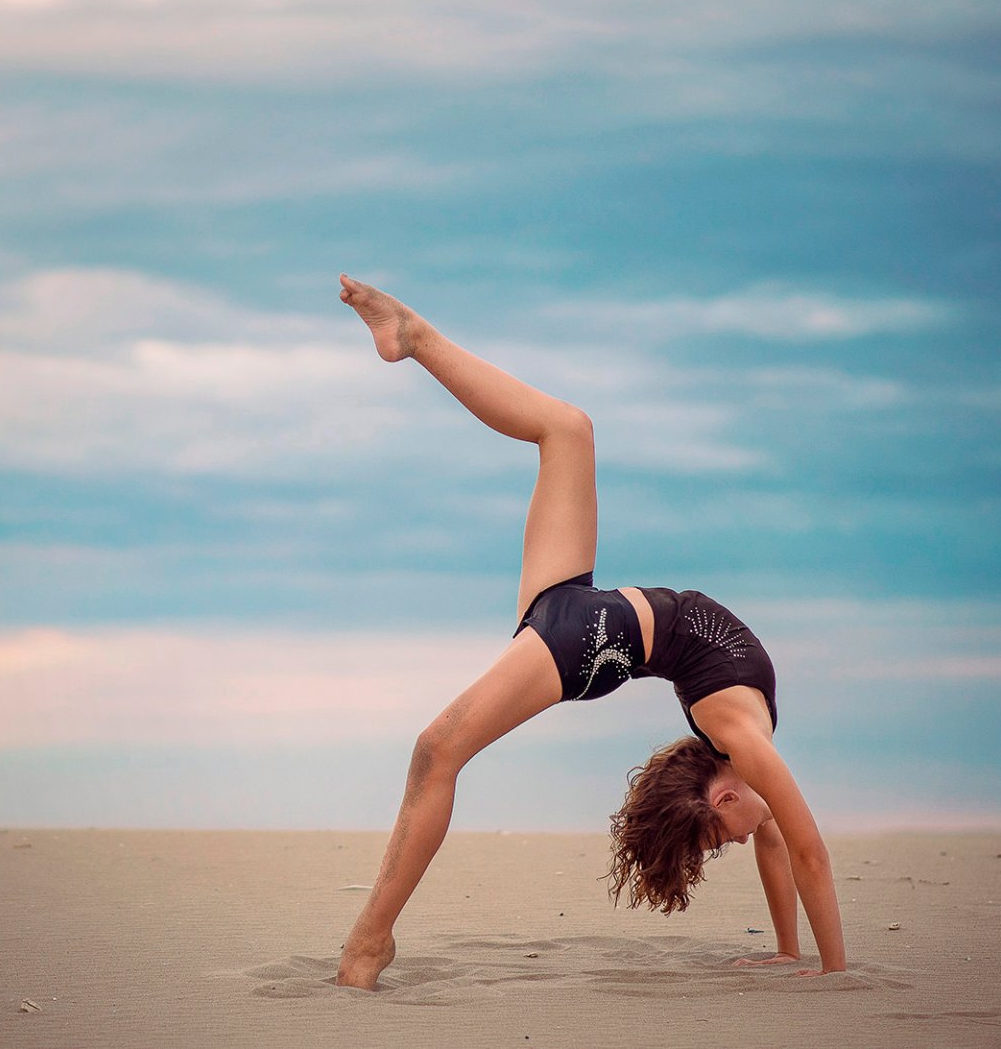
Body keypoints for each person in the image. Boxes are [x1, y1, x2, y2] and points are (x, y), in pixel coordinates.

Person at [332, 273, 846, 990]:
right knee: (567, 428)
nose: (738, 840)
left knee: (436, 749)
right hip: (585, 621)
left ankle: (367, 943)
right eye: (720, 838)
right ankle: (413, 338)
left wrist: (793, 953)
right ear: (722, 798)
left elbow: (773, 839)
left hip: (593, 627)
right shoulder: (746, 745)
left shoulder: (737, 744)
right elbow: (805, 850)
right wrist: (832, 969)